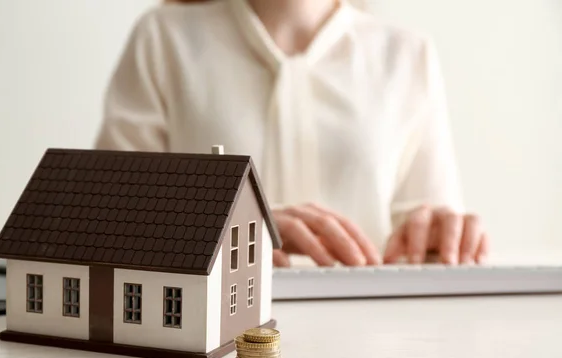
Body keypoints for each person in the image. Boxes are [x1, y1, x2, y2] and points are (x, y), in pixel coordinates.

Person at [94, 0, 489, 267]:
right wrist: (237, 231)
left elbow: (425, 243)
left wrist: (444, 239)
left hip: (369, 355)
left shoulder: (406, 55)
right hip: (214, 353)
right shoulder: (163, 40)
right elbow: (108, 223)